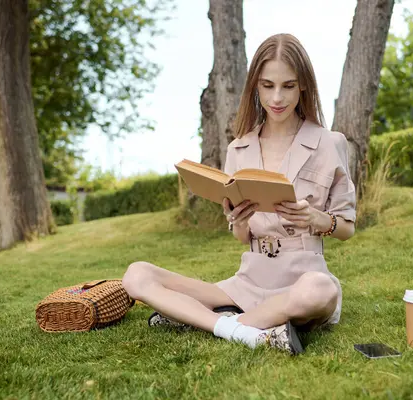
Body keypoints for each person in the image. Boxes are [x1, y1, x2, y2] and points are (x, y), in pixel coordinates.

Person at [122, 33, 356, 355]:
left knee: (319, 290)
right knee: (137, 274)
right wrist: (239, 220)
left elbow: (346, 228)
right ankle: (247, 328)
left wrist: (316, 218)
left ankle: (211, 321)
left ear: (303, 85)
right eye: (267, 85)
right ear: (255, 86)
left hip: (302, 280)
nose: (277, 98)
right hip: (246, 282)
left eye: (288, 86)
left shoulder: (330, 143)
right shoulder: (238, 149)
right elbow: (241, 237)